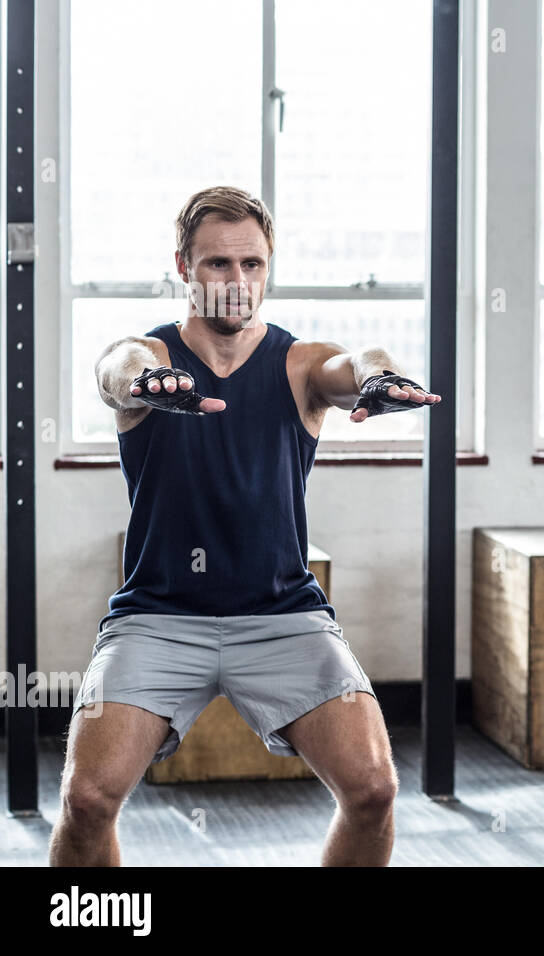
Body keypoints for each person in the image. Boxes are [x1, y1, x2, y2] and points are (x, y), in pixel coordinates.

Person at [51, 186, 440, 867]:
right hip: (159, 615)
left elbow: (353, 362)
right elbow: (116, 367)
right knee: (87, 800)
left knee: (374, 789)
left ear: (268, 267)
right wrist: (149, 381)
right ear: (183, 267)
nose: (237, 283)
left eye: (252, 265)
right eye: (217, 265)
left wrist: (378, 377)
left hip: (282, 613)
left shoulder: (298, 363)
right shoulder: (151, 356)